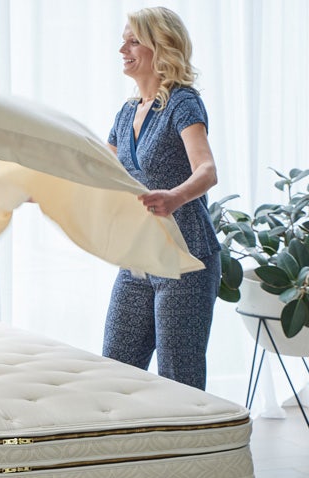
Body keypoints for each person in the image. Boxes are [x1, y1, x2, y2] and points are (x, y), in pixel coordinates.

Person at [102, 6, 220, 390]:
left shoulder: (182, 103)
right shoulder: (125, 113)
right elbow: (100, 172)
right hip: (139, 260)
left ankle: (192, 450)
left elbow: (207, 170)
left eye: (134, 40)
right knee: (115, 370)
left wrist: (174, 197)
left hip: (185, 261)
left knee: (178, 378)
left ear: (162, 47)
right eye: (124, 40)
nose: (123, 49)